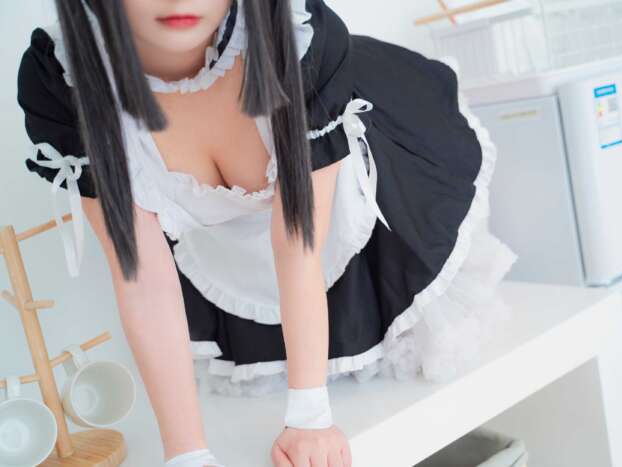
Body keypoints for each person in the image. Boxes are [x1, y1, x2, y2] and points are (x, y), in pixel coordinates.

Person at [16, 0, 518, 465]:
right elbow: (141, 278)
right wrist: (186, 456)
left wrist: (310, 418)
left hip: (368, 205)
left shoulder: (298, 37)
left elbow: (299, 242)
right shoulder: (62, 80)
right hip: (241, 253)